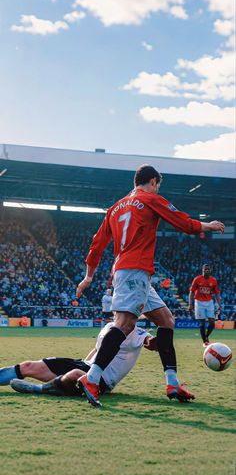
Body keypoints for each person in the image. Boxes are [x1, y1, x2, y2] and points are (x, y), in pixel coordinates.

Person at [75, 164, 225, 407]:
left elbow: (97, 244)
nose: (157, 189)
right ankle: (91, 378)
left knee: (166, 321)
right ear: (153, 181)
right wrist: (207, 226)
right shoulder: (149, 199)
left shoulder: (115, 208)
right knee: (124, 325)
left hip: (131, 272)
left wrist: (89, 276)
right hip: (135, 271)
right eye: (158, 186)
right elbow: (181, 221)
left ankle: (173, 382)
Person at [5, 322, 156, 395]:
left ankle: (37, 389)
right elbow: (97, 349)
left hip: (101, 380)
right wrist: (84, 361)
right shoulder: (109, 325)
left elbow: (149, 341)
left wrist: (156, 341)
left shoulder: (137, 332)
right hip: (84, 365)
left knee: (77, 374)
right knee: (28, 366)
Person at [189, 264, 221, 347]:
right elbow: (191, 292)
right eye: (205, 269)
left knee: (212, 323)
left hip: (209, 302)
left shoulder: (213, 281)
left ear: (210, 270)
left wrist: (219, 305)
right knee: (202, 323)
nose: (206, 270)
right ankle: (205, 341)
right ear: (202, 270)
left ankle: (206, 336)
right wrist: (190, 304)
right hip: (199, 302)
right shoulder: (197, 279)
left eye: (208, 269)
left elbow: (217, 294)